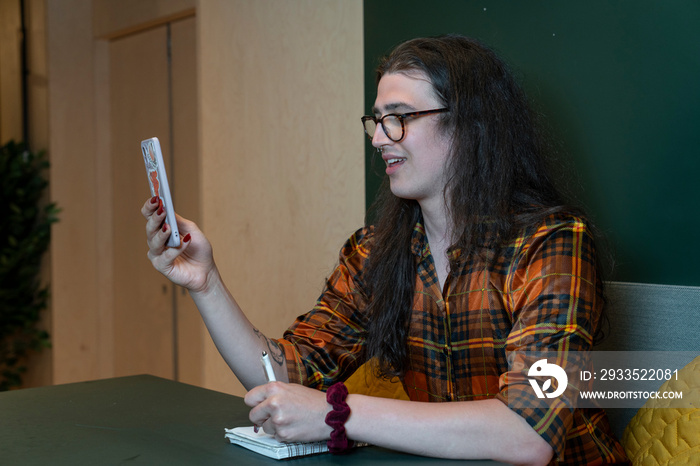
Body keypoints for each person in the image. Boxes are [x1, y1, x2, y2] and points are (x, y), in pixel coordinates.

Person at [142, 35, 627, 465]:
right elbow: (291, 372)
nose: (378, 139)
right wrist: (205, 283)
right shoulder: (375, 252)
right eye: (376, 121)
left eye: (398, 118)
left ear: (471, 126)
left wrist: (340, 412)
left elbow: (531, 433)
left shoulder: (553, 243)